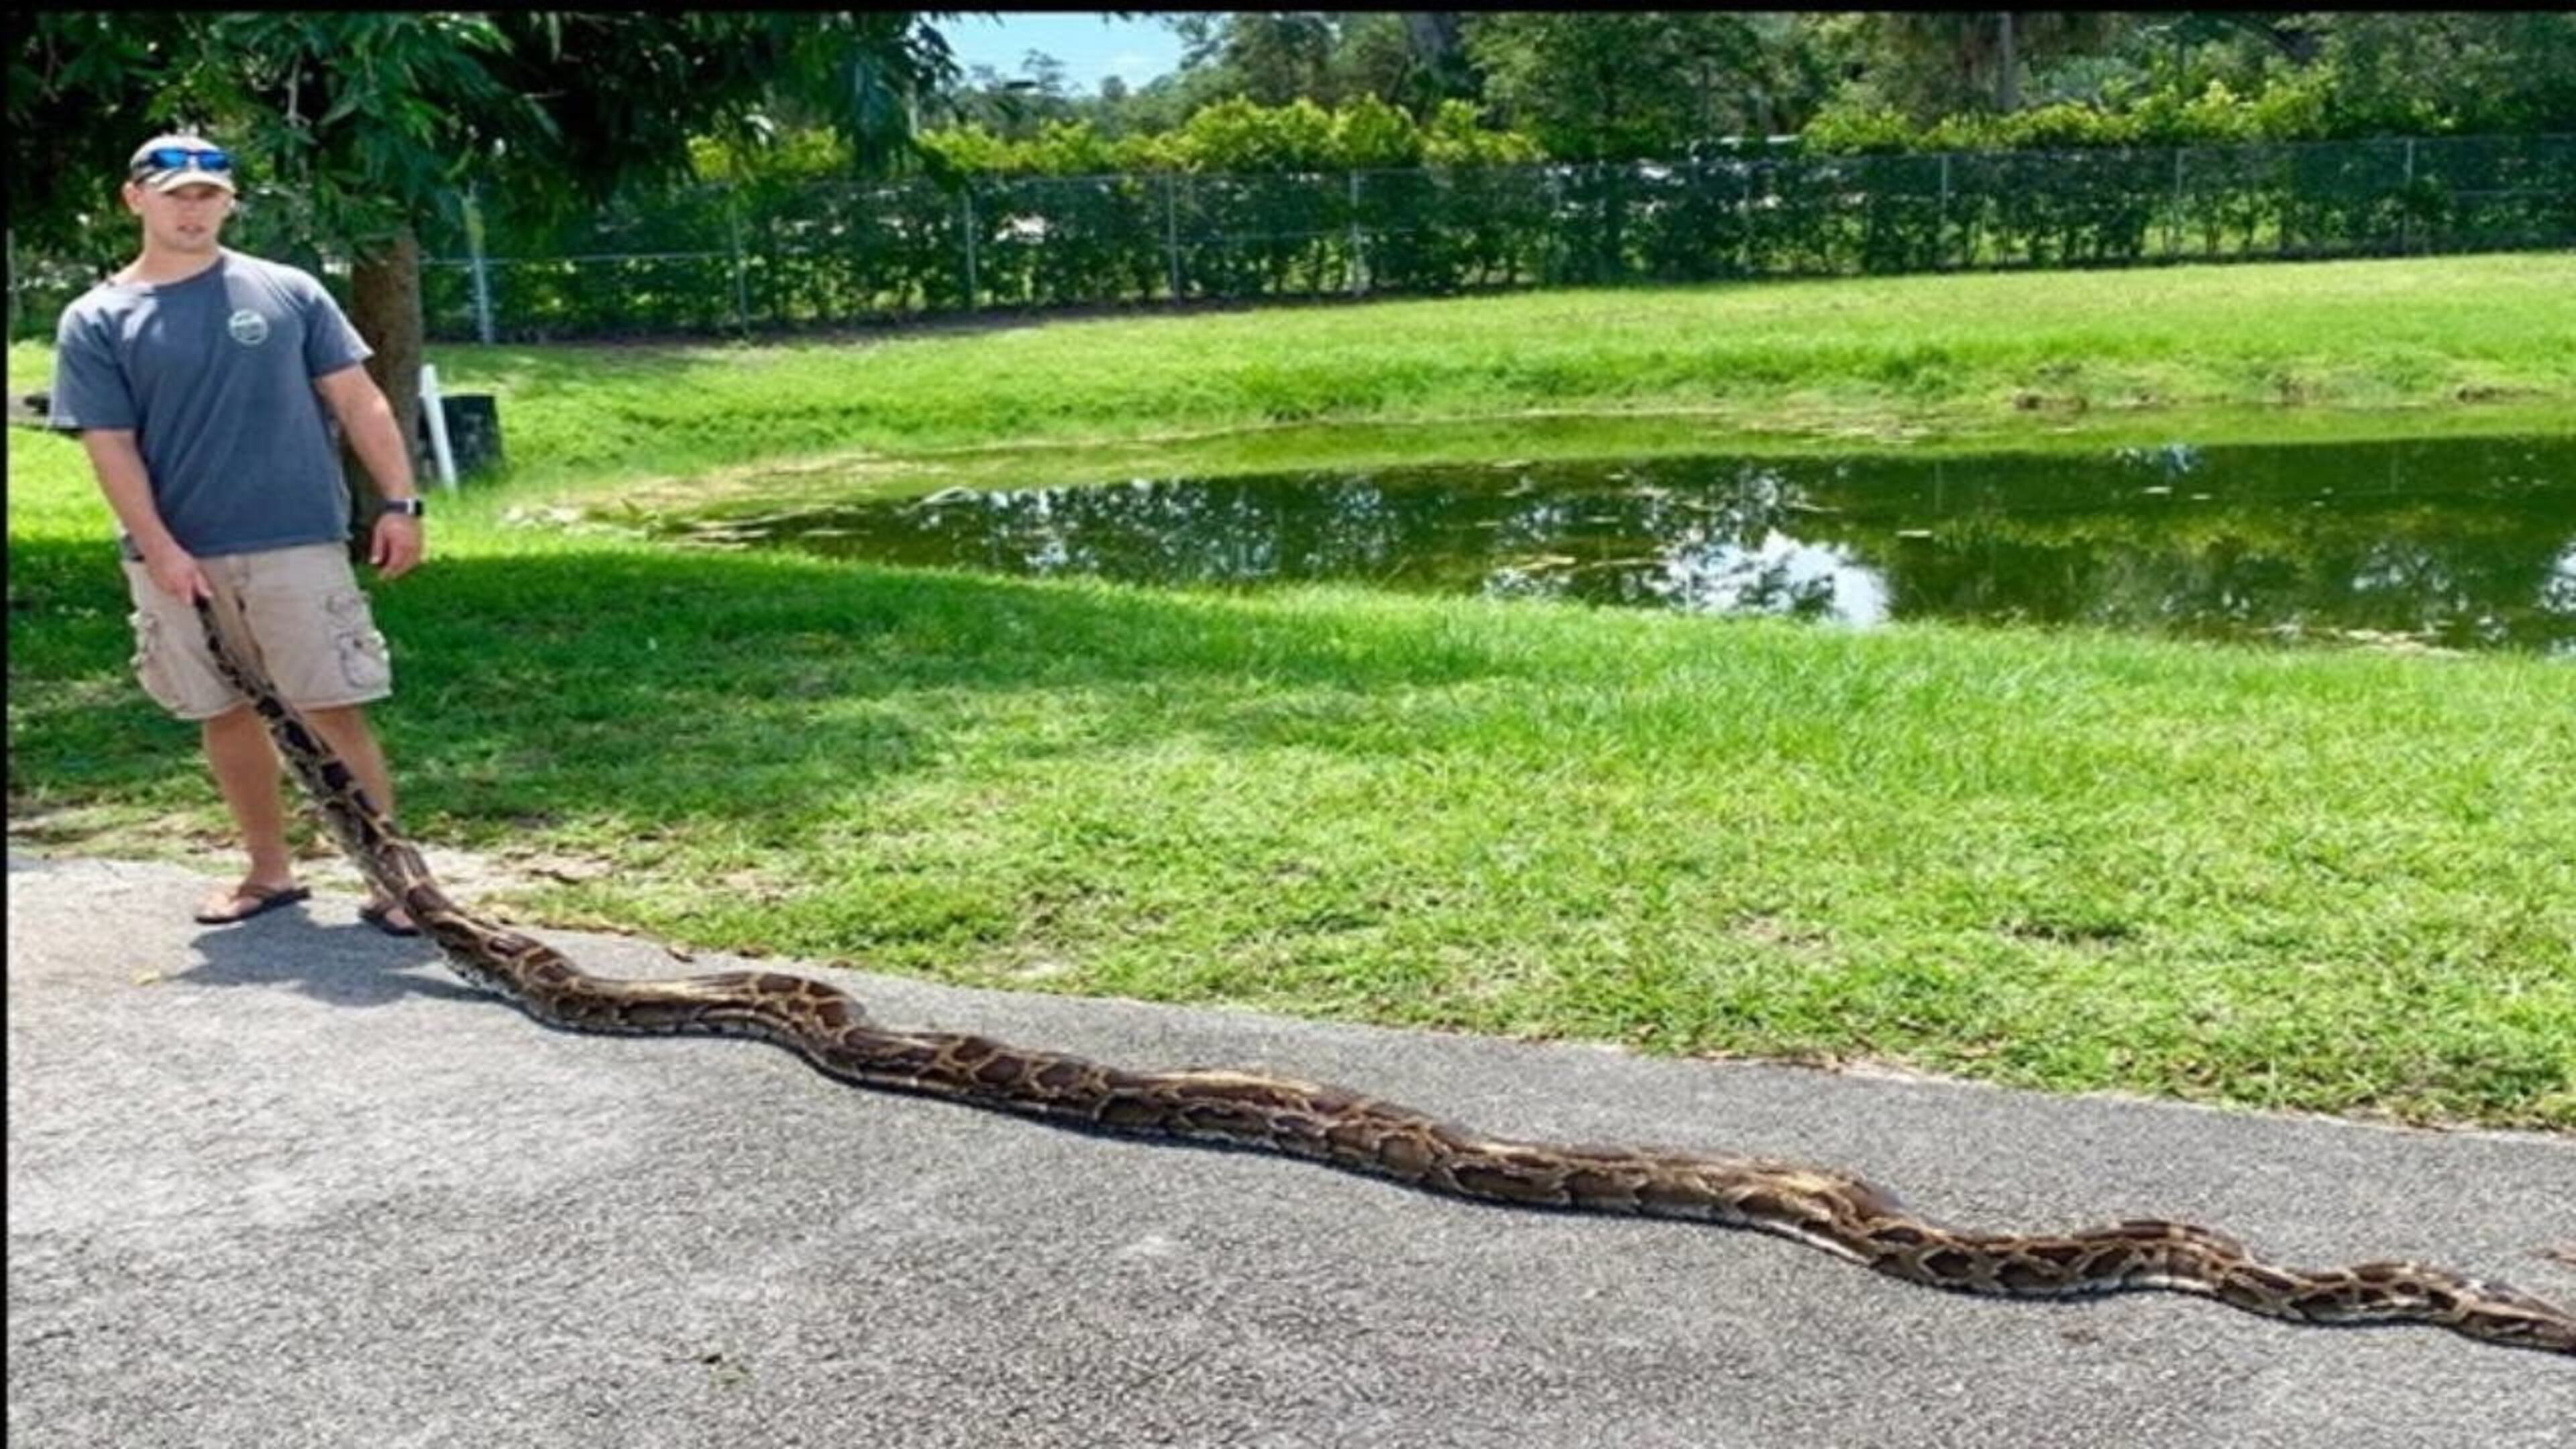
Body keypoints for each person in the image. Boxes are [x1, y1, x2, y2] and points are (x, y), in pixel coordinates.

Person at [48, 132, 429, 936]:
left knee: (331, 707)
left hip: (297, 541)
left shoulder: (288, 291)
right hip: (175, 555)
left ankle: (394, 878)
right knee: (223, 713)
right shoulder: (98, 318)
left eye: (208, 195)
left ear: (228, 202)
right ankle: (269, 871)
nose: (193, 209)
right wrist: (159, 548)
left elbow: (359, 401)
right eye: (176, 193)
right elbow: (108, 446)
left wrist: (400, 503)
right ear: (136, 199)